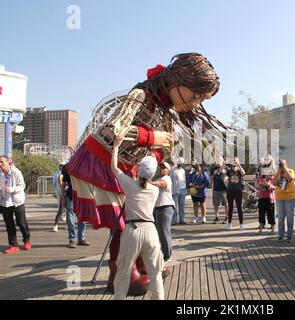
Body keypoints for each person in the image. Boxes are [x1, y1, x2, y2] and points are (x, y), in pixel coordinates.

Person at [65, 53, 225, 293]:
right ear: (176, 82)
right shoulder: (140, 96)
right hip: (99, 161)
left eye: (200, 100)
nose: (194, 104)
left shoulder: (166, 114)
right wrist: (151, 137)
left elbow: (164, 148)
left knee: (132, 221)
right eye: (194, 96)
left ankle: (144, 266)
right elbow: (112, 130)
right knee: (125, 223)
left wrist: (162, 162)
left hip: (124, 168)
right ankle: (122, 274)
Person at [110, 137, 164, 300]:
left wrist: (116, 146)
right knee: (156, 274)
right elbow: (146, 181)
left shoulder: (130, 185)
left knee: (123, 272)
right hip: (150, 231)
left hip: (132, 230)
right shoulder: (154, 190)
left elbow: (114, 168)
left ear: (139, 170)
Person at [0, 156, 31, 254]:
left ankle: (26, 240)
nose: (0, 164)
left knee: (21, 223)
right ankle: (13, 245)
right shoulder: (0, 174)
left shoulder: (16, 172)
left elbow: (22, 186)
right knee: (9, 225)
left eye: (2, 162)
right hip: (5, 202)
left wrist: (12, 189)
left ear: (8, 162)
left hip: (17, 202)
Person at [61, 165, 91, 249]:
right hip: (71, 197)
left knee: (83, 218)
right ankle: (72, 239)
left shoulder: (85, 168)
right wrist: (63, 197)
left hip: (82, 196)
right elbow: (63, 184)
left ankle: (81, 238)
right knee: (70, 219)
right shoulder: (69, 168)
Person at [153, 162, 176, 264]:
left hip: (165, 207)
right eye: (161, 167)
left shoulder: (166, 178)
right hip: (158, 208)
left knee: (164, 232)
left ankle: (167, 255)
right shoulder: (157, 178)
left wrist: (149, 182)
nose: (161, 169)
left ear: (168, 170)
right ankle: (163, 253)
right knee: (159, 232)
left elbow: (162, 184)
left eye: (164, 167)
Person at [273, 159, 295, 241]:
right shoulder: (278, 173)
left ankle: (289, 235)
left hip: (290, 197)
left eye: (282, 164)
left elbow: (290, 178)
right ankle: (281, 235)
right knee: (280, 217)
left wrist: (285, 169)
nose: (281, 166)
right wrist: (279, 172)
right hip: (280, 198)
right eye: (280, 164)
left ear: (286, 164)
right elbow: (274, 183)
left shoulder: (291, 170)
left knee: (290, 217)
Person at [224, 157, 246, 231]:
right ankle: (229, 224)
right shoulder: (229, 171)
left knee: (239, 207)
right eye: (233, 163)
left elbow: (244, 173)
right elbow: (222, 172)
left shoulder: (239, 171)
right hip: (230, 191)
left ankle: (241, 224)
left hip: (238, 191)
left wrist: (238, 164)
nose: (234, 164)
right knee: (230, 208)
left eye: (235, 163)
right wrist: (223, 164)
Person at [209, 157, 229, 224]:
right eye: (217, 160)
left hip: (225, 189)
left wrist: (226, 176)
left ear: (223, 161)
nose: (218, 161)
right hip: (216, 189)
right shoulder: (213, 168)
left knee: (226, 204)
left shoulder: (226, 168)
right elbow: (210, 178)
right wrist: (214, 174)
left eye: (220, 160)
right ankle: (216, 218)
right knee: (216, 204)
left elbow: (231, 176)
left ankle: (227, 217)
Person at [170, 158, 187, 225]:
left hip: (182, 189)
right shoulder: (173, 170)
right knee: (175, 205)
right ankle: (174, 220)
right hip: (175, 189)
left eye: (181, 164)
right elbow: (171, 179)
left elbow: (184, 180)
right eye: (179, 163)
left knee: (182, 205)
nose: (180, 165)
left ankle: (182, 219)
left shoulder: (183, 170)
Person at [52, 163, 66, 232]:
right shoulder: (58, 174)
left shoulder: (68, 173)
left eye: (62, 166)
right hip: (61, 192)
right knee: (60, 208)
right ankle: (56, 225)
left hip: (67, 193)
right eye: (60, 165)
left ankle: (66, 220)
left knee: (70, 211)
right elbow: (56, 183)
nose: (61, 167)